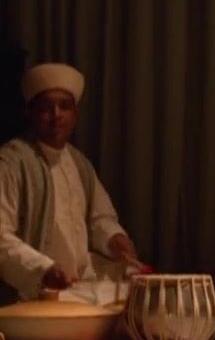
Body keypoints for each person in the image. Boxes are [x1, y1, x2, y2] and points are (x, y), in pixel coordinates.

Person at [0, 63, 140, 306]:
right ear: (30, 113)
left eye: (64, 106)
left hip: (81, 286)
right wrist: (43, 269)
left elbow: (100, 219)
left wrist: (115, 238)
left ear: (75, 114)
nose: (57, 116)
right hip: (39, 292)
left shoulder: (79, 163)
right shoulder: (12, 163)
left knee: (141, 293)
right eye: (46, 108)